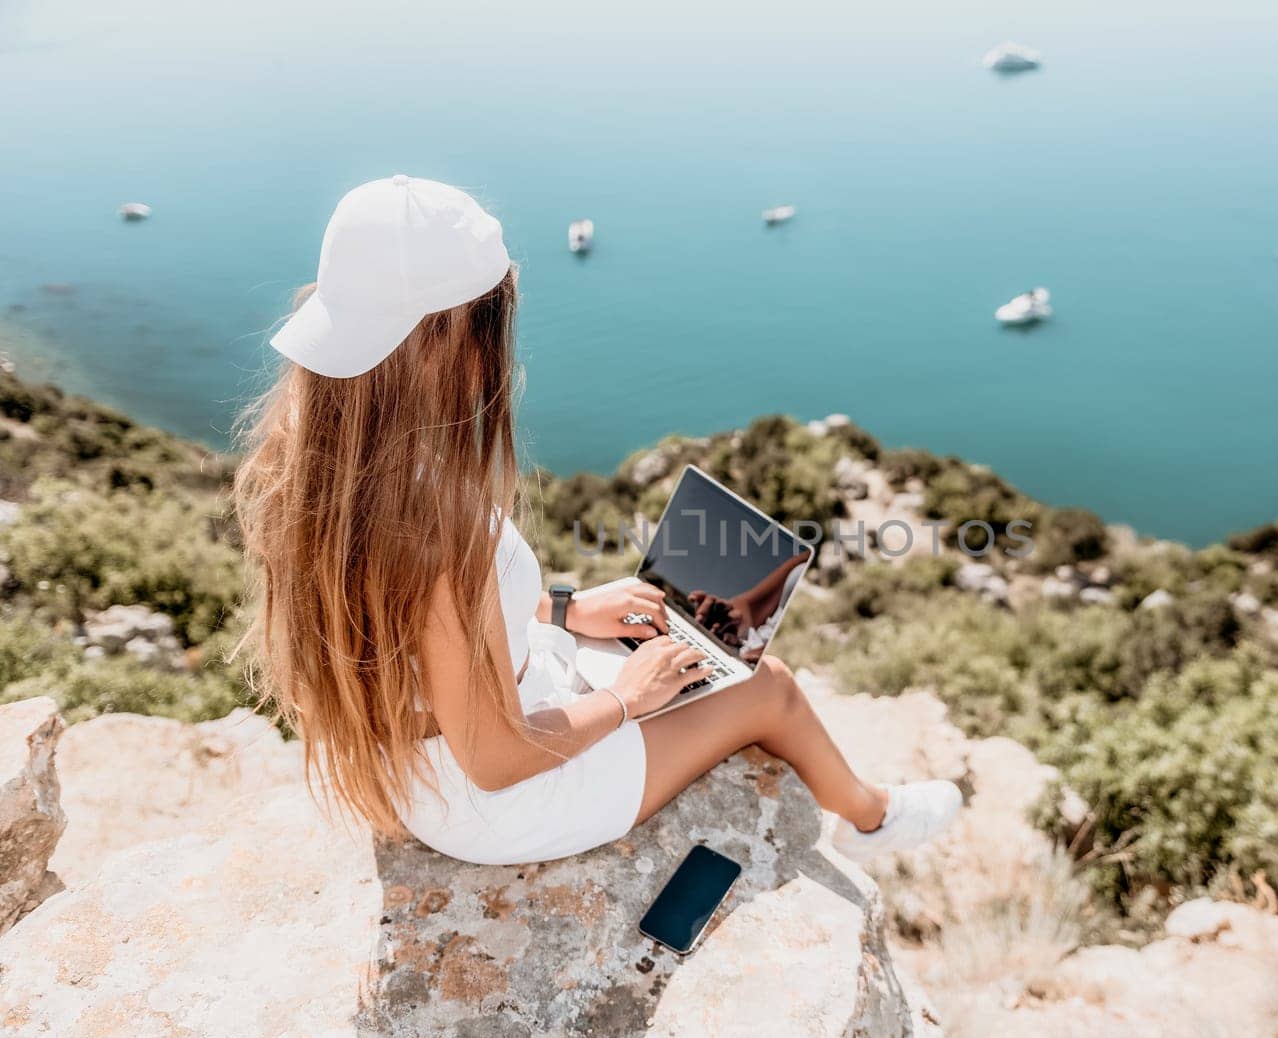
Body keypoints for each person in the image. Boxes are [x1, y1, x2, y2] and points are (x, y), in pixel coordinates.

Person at [233, 175, 961, 867]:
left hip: (420, 755)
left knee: (689, 652)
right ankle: (871, 815)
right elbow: (494, 757)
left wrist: (565, 609)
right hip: (492, 795)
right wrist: (625, 699)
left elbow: (416, 629)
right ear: (451, 342)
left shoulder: (310, 448)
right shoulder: (435, 528)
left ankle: (858, 802)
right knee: (766, 686)